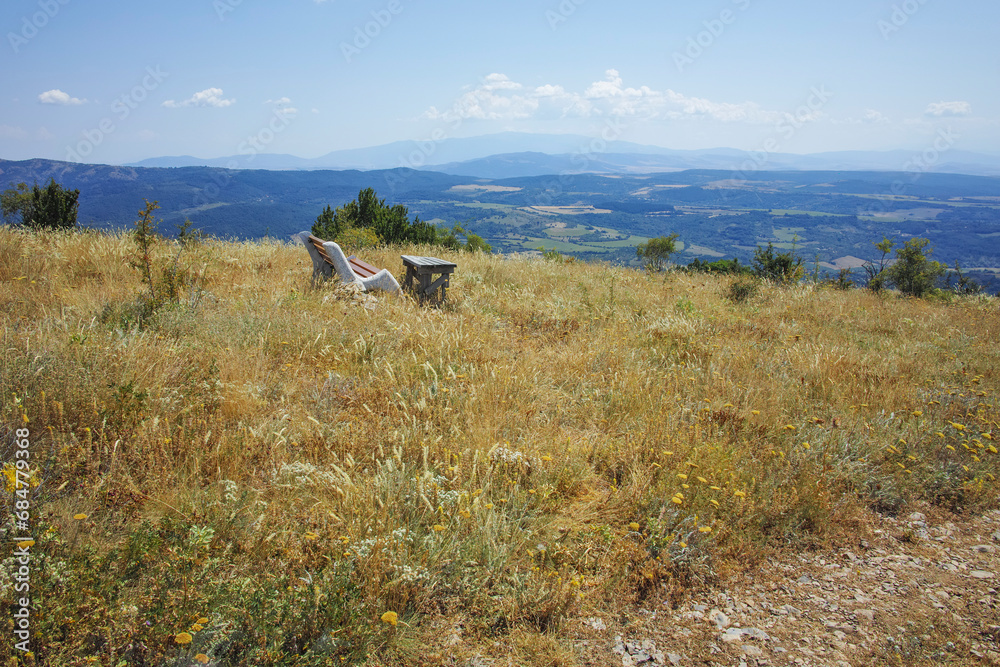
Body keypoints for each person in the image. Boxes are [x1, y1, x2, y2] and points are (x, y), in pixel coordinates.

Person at [297, 231, 401, 293]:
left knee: (353, 260)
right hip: (354, 278)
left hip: (330, 262)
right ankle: (401, 300)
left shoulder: (315, 243)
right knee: (385, 275)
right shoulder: (331, 246)